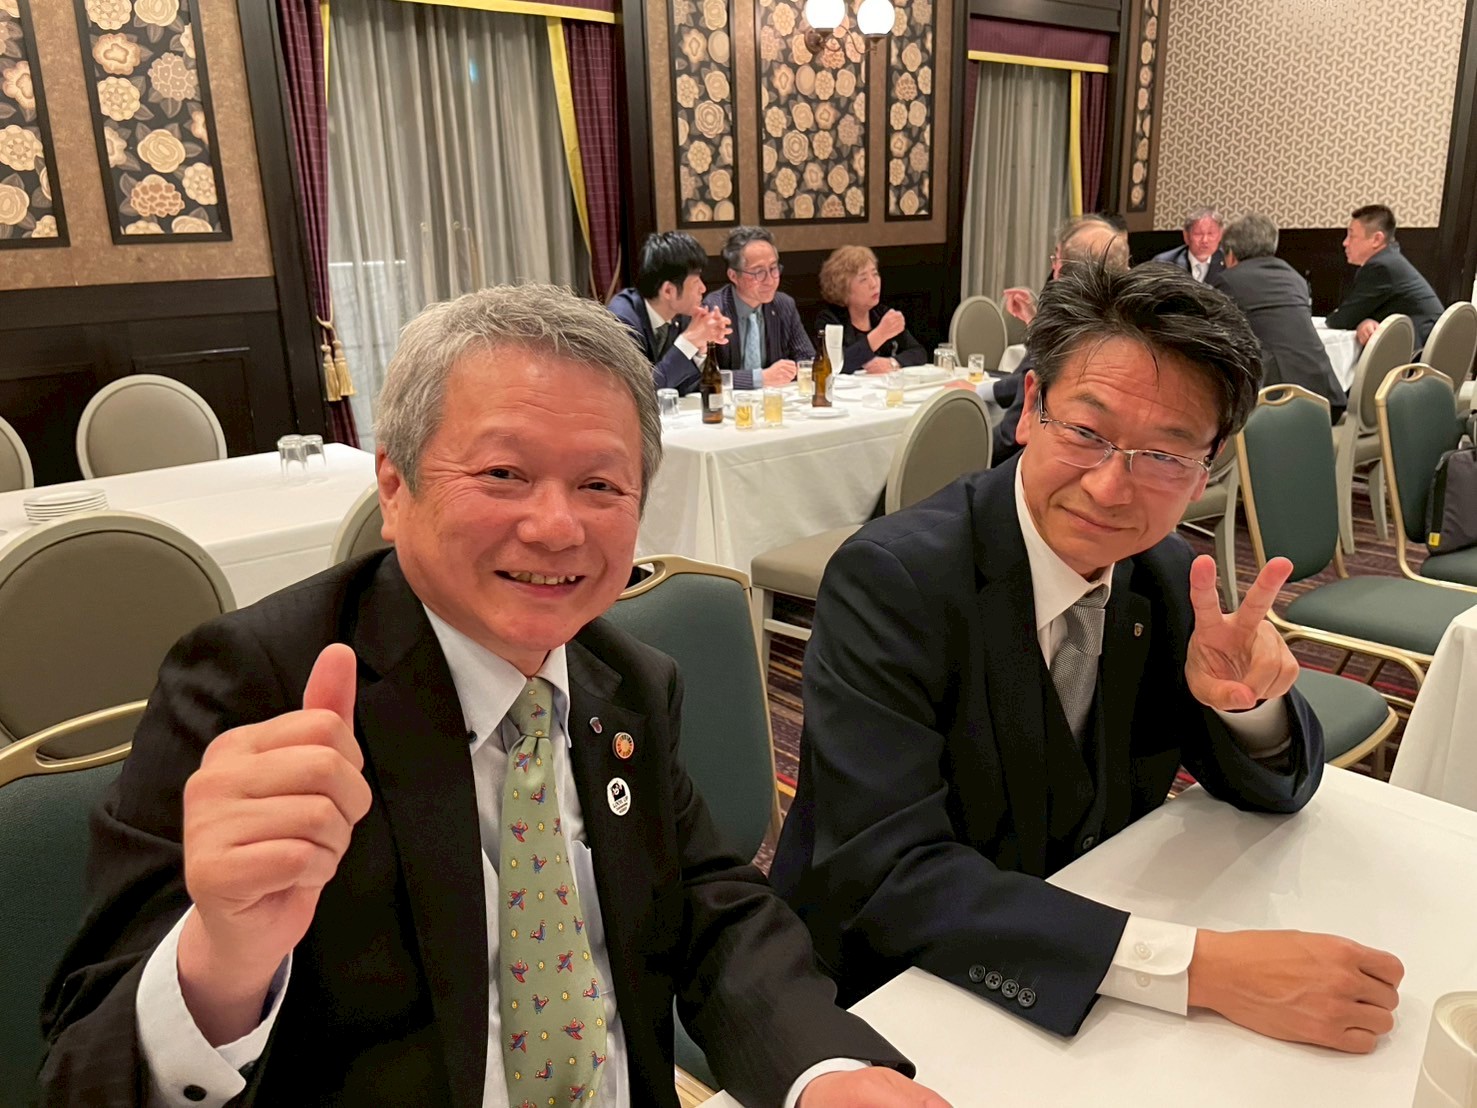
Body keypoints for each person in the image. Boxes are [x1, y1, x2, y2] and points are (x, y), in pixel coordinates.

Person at [39, 285, 952, 1108]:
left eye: (599, 484)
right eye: (503, 475)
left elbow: (708, 907)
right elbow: (82, 1072)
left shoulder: (627, 681)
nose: (555, 527)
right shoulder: (259, 687)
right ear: (393, 485)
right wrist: (222, 962)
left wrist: (825, 1071)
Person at [772, 262, 1405, 1055]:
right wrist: (1199, 968)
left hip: (1086, 961)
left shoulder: (1165, 575)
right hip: (888, 992)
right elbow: (887, 875)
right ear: (1030, 407)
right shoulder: (894, 580)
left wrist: (1249, 706)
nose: (1110, 488)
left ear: (1206, 467)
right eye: (1085, 433)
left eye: (1163, 454)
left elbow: (1277, 787)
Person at [993, 216, 1130, 463]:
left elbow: (1011, 437)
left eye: (1056, 257)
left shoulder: (1064, 338)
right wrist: (1035, 323)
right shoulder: (1132, 330)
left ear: (1060, 271)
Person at [1212, 213, 1347, 422]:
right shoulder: (1294, 277)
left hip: (1274, 403)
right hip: (1324, 393)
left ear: (1230, 254)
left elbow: (1214, 337)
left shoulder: (1229, 281)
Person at [607, 231, 731, 395]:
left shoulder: (682, 314)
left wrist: (700, 349)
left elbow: (688, 388)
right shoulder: (622, 320)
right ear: (668, 291)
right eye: (695, 282)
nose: (703, 288)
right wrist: (688, 342)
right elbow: (639, 392)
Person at [704, 226, 811, 387]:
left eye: (773, 268)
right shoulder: (714, 310)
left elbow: (807, 360)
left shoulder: (783, 305)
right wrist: (759, 378)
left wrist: (792, 371)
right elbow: (703, 376)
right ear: (733, 276)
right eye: (758, 272)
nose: (770, 280)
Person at [1326, 204, 1444, 348]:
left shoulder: (1381, 267)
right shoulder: (1389, 259)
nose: (1345, 243)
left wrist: (1358, 320)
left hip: (1419, 347)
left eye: (1351, 236)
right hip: (1430, 344)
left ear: (1377, 239)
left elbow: (1342, 319)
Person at [813, 246, 927, 374]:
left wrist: (893, 362)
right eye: (863, 279)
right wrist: (880, 334)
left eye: (875, 274)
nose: (874, 284)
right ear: (842, 288)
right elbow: (835, 365)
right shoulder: (829, 320)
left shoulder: (882, 313)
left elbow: (919, 352)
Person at [1151, 206, 1226, 283]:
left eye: (1210, 234)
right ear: (1186, 236)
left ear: (1220, 235)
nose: (1204, 240)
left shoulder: (1229, 263)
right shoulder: (1163, 264)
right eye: (1198, 234)